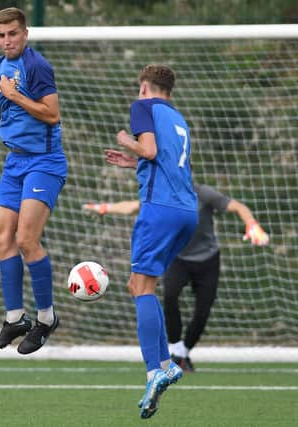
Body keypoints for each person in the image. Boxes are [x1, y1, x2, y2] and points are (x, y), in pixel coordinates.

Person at [0, 7, 66, 355]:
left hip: (44, 162)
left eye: (12, 34)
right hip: (15, 162)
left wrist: (17, 94)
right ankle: (14, 318)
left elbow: (52, 114)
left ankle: (47, 318)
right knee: (0, 235)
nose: (7, 41)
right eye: (1, 35)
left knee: (25, 238)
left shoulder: (37, 66)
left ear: (25, 34)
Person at [84, 184, 270, 373]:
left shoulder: (204, 195)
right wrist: (105, 208)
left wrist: (252, 224)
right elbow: (133, 206)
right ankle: (175, 348)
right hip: (178, 259)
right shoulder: (164, 195)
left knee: (203, 310)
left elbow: (239, 207)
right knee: (169, 297)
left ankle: (184, 352)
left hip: (208, 260)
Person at [105, 64, 198, 419]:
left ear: (145, 87)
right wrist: (135, 163)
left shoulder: (142, 106)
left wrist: (127, 141)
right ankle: (166, 364)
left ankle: (154, 370)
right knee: (141, 284)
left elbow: (149, 149)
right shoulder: (178, 118)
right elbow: (163, 160)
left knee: (140, 287)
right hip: (186, 211)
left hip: (159, 209)